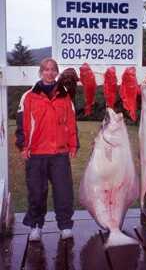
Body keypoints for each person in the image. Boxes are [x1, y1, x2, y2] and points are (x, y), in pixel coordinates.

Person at [15, 57, 78, 241]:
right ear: (40, 72)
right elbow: (22, 124)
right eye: (46, 69)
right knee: (36, 192)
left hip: (59, 153)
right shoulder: (28, 96)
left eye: (53, 70)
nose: (49, 73)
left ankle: (65, 226)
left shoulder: (65, 96)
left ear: (56, 72)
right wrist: (23, 145)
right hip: (36, 153)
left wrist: (73, 145)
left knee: (64, 191)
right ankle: (35, 226)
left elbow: (72, 123)